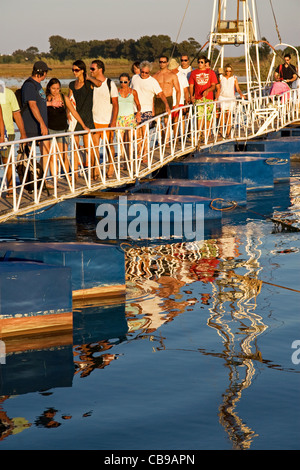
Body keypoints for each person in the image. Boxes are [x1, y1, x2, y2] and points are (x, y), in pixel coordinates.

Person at [46, 78, 90, 182]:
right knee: (52, 157)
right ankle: (55, 179)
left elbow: (74, 112)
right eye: (53, 88)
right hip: (50, 130)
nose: (56, 91)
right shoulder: (45, 98)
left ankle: (68, 177)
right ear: (49, 88)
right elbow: (37, 106)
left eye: (58, 89)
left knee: (63, 155)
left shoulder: (64, 98)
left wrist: (83, 126)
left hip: (62, 130)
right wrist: (50, 104)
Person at [132, 60, 171, 160]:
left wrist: (166, 105)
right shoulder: (134, 78)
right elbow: (130, 91)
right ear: (140, 70)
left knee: (144, 132)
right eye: (142, 72)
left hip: (146, 110)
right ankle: (139, 151)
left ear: (149, 72)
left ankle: (144, 153)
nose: (144, 74)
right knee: (137, 134)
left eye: (146, 72)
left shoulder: (152, 81)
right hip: (135, 110)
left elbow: (161, 94)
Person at [21, 60, 52, 176]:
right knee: (31, 156)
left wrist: (51, 104)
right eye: (46, 72)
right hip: (32, 126)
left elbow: (39, 103)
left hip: (41, 126)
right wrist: (42, 124)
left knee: (46, 153)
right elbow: (32, 105)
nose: (46, 74)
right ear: (41, 72)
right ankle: (33, 182)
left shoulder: (38, 85)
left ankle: (42, 179)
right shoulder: (29, 85)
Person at [89, 59, 119, 178]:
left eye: (93, 69)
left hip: (107, 120)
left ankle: (111, 166)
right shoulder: (91, 84)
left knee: (108, 145)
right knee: (94, 147)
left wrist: (113, 121)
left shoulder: (110, 84)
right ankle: (95, 169)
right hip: (94, 120)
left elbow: (116, 104)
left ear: (100, 69)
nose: (90, 71)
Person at [68, 60, 94, 180]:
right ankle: (75, 173)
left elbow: (99, 83)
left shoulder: (89, 83)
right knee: (75, 146)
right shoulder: (72, 84)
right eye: (73, 70)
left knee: (88, 146)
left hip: (88, 117)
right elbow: (69, 100)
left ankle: (91, 170)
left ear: (82, 70)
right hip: (76, 117)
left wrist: (89, 78)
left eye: (76, 70)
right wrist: (68, 112)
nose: (74, 72)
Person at [0, 80, 27, 196]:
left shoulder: (8, 93)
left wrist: (23, 133)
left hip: (8, 132)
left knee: (7, 161)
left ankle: (11, 188)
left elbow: (16, 113)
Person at [189, 55, 218, 142]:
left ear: (205, 63)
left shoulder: (211, 72)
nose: (200, 64)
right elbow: (191, 85)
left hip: (208, 98)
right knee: (199, 117)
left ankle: (206, 134)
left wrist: (207, 90)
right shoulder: (194, 73)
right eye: (199, 62)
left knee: (208, 118)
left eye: (202, 62)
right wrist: (191, 96)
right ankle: (199, 135)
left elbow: (213, 86)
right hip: (198, 98)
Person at [215, 64, 245, 138]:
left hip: (231, 98)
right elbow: (218, 88)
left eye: (230, 71)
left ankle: (228, 132)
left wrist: (241, 94)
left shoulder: (234, 78)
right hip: (222, 97)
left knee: (229, 115)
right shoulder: (221, 77)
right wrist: (216, 97)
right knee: (222, 115)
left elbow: (237, 88)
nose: (228, 72)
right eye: (227, 71)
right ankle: (221, 131)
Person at [117, 73, 141, 163]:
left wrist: (138, 113)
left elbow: (138, 104)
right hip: (119, 118)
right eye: (121, 82)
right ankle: (124, 161)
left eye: (125, 82)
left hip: (130, 117)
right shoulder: (117, 91)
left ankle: (130, 160)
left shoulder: (133, 92)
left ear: (129, 81)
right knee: (121, 141)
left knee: (129, 140)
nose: (123, 84)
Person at [168, 59, 190, 138]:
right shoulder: (168, 75)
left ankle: (182, 136)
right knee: (173, 120)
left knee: (180, 118)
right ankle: (175, 136)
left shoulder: (182, 76)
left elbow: (185, 90)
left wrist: (186, 102)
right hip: (170, 101)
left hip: (180, 101)